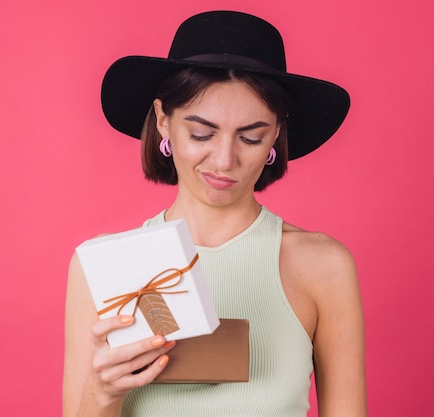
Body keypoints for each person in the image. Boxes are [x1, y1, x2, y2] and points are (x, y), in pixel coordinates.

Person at [63, 10, 366, 417]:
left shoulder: (323, 266)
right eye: (201, 133)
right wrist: (102, 394)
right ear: (163, 121)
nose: (224, 160)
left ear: (276, 134)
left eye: (251, 137)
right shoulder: (102, 269)